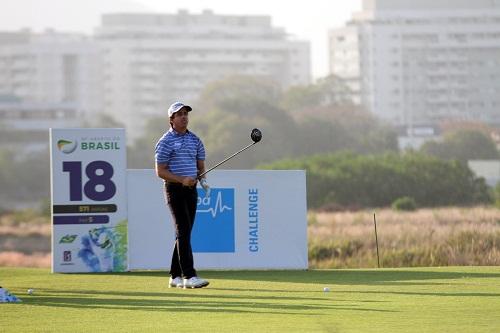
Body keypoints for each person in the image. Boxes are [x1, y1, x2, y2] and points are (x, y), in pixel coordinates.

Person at [155, 101, 210, 289]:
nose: (184, 116)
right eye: (179, 114)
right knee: (183, 231)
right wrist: (181, 179)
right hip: (174, 190)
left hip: (191, 191)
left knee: (183, 233)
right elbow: (160, 171)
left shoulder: (195, 140)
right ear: (171, 119)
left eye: (186, 113)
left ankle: (175, 275)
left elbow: (200, 166)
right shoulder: (165, 142)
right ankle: (189, 276)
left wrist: (203, 181)